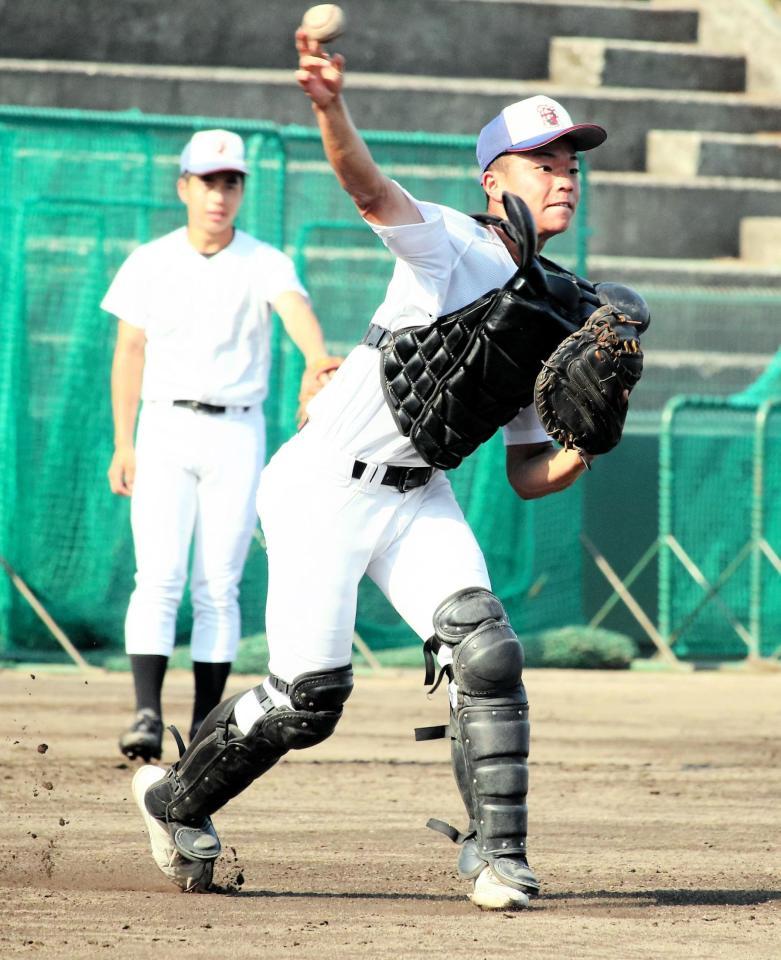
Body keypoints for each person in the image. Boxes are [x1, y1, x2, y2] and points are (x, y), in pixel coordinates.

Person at [130, 32, 621, 911]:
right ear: (492, 179)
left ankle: (497, 857)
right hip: (321, 486)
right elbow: (365, 187)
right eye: (541, 160)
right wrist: (328, 107)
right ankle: (175, 801)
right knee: (308, 702)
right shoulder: (448, 245)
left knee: (488, 649)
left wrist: (581, 448)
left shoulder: (556, 311)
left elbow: (524, 474)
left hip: (415, 496)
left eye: (571, 163)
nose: (563, 176)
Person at [104, 128, 339, 763]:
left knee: (218, 584)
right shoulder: (150, 260)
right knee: (157, 575)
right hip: (164, 426)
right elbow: (129, 351)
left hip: (237, 429)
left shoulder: (264, 259)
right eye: (208, 180)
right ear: (184, 187)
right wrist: (123, 443)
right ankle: (146, 714)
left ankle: (204, 721)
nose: (219, 193)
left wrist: (317, 357)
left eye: (231, 181)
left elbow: (293, 310)